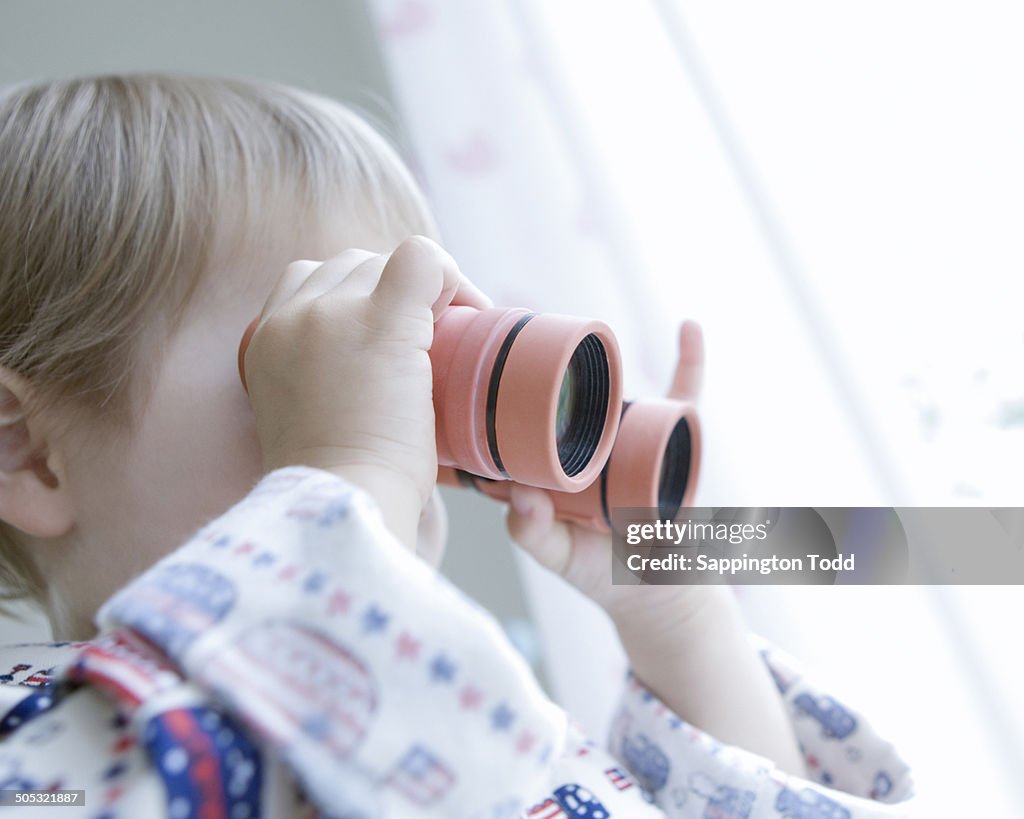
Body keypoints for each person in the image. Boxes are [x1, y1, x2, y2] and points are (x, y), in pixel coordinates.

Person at [0, 74, 913, 817]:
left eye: (420, 370)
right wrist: (346, 473)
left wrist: (684, 624)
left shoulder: (506, 727)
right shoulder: (45, 751)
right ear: (31, 453)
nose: (401, 430)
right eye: (299, 364)